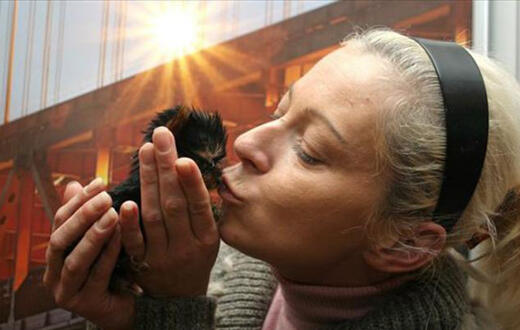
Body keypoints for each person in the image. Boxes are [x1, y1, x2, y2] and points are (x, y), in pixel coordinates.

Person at [43, 28, 520, 330]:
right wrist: (127, 313)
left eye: (309, 152)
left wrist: (173, 313)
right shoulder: (202, 263)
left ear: (404, 245)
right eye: (280, 111)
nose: (248, 143)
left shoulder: (193, 279)